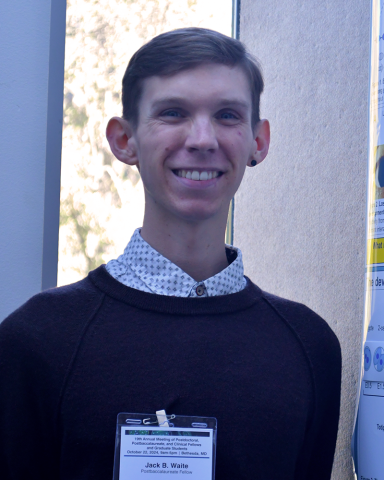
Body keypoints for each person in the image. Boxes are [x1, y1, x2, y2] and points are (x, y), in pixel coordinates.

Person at [0, 28, 341, 479]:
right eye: (173, 112)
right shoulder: (36, 340)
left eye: (226, 115)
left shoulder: (309, 347)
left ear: (258, 140)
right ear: (124, 140)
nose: (202, 139)